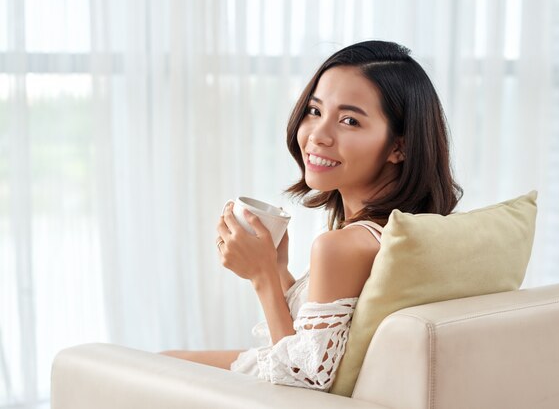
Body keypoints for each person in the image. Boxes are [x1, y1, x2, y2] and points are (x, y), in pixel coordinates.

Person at [162, 40, 462, 391]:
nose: (318, 136)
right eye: (315, 111)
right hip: (279, 367)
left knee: (150, 369)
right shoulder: (397, 231)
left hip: (281, 384)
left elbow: (302, 380)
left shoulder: (342, 245)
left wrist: (262, 278)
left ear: (400, 146)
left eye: (349, 121)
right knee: (164, 359)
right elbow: (319, 341)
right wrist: (277, 268)